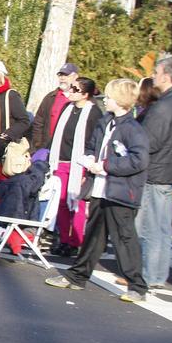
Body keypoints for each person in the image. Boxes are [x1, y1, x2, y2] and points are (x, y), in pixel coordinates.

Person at [45, 79, 151, 303]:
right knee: (93, 235)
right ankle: (77, 276)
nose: (106, 100)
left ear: (121, 100)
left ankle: (137, 286)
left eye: (110, 97)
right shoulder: (106, 122)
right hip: (100, 188)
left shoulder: (133, 129)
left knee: (124, 238)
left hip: (121, 192)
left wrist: (105, 166)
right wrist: (90, 159)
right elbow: (94, 146)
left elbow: (138, 161)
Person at [135, 56, 172, 290]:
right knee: (161, 227)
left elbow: (149, 142)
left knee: (149, 227)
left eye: (157, 73)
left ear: (166, 77)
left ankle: (149, 275)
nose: (154, 77)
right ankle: (157, 274)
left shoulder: (163, 107)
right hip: (169, 173)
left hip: (156, 173)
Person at [47, 77, 102, 257]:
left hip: (79, 164)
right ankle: (63, 239)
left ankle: (75, 242)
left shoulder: (93, 113)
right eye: (71, 88)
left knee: (76, 203)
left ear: (86, 95)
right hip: (61, 161)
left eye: (75, 89)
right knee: (62, 202)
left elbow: (95, 142)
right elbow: (57, 134)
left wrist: (88, 166)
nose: (70, 92)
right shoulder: (67, 108)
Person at [0, 59, 30, 209]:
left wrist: (6, 135)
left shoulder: (10, 95)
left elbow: (24, 121)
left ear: (0, 74)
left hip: (1, 154)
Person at [30, 63, 79, 150]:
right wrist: (38, 144)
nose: (62, 78)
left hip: (68, 150)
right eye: (60, 75)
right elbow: (38, 121)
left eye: (66, 75)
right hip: (47, 147)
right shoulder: (50, 97)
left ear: (75, 77)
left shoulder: (80, 99)